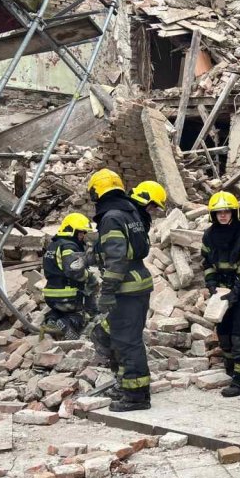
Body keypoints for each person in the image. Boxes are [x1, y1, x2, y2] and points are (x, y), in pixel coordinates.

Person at [87, 168, 154, 412]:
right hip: (138, 282)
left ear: (96, 192)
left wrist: (107, 291)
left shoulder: (111, 217)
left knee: (128, 342)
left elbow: (116, 259)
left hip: (127, 288)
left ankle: (136, 396)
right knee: (114, 336)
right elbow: (119, 249)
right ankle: (127, 385)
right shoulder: (129, 212)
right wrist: (87, 258)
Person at [202, 191, 240, 397]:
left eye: (227, 211)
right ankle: (231, 370)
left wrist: (236, 291)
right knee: (224, 335)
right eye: (218, 212)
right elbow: (207, 264)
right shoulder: (209, 235)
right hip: (222, 292)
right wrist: (212, 285)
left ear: (234, 212)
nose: (223, 215)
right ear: (213, 214)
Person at [41, 213, 96, 340]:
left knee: (59, 310)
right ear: (71, 230)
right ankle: (68, 323)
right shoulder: (69, 246)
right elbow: (74, 271)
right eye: (81, 232)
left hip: (50, 294)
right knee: (85, 312)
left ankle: (51, 321)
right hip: (68, 294)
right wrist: (90, 277)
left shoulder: (53, 245)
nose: (83, 236)